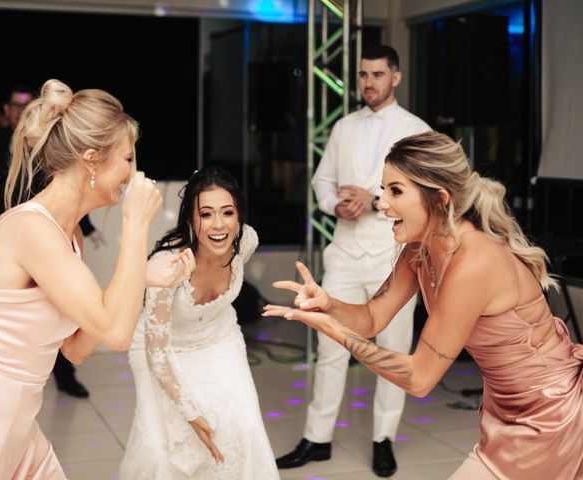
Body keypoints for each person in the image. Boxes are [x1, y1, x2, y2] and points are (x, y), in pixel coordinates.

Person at [265, 131, 583, 479]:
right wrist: (328, 305)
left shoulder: (474, 263)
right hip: (505, 411)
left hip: (551, 414)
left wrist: (336, 333)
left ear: (439, 199)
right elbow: (372, 318)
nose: (382, 203)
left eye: (395, 191)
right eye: (383, 189)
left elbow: (419, 378)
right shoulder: (419, 250)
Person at [0, 78, 195, 479]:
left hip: (16, 423)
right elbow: (116, 332)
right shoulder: (32, 230)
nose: (133, 173)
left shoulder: (68, 234)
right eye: (128, 159)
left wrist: (141, 278)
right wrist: (134, 226)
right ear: (92, 159)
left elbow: (78, 347)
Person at [274, 44, 429, 477]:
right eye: (363, 75)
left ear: (395, 77)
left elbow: (426, 198)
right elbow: (322, 180)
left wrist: (375, 198)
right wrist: (333, 204)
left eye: (377, 75)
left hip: (393, 257)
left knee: (393, 350)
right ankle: (316, 438)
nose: (368, 83)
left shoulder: (417, 130)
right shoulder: (343, 126)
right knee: (330, 346)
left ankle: (383, 438)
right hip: (343, 252)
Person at [120, 166, 279, 480]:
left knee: (242, 424)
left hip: (220, 335)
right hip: (162, 349)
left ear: (239, 215)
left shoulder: (245, 241)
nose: (219, 225)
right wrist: (190, 413)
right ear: (191, 220)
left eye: (228, 212)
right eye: (206, 214)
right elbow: (158, 352)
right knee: (160, 448)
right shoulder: (167, 266)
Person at [0, 84, 103, 398]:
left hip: (48, 238)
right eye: (15, 106)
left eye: (26, 105)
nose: (20, 111)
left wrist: (88, 227)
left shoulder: (54, 144)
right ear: (6, 111)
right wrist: (16, 154)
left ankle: (64, 375)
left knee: (58, 309)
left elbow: (67, 191)